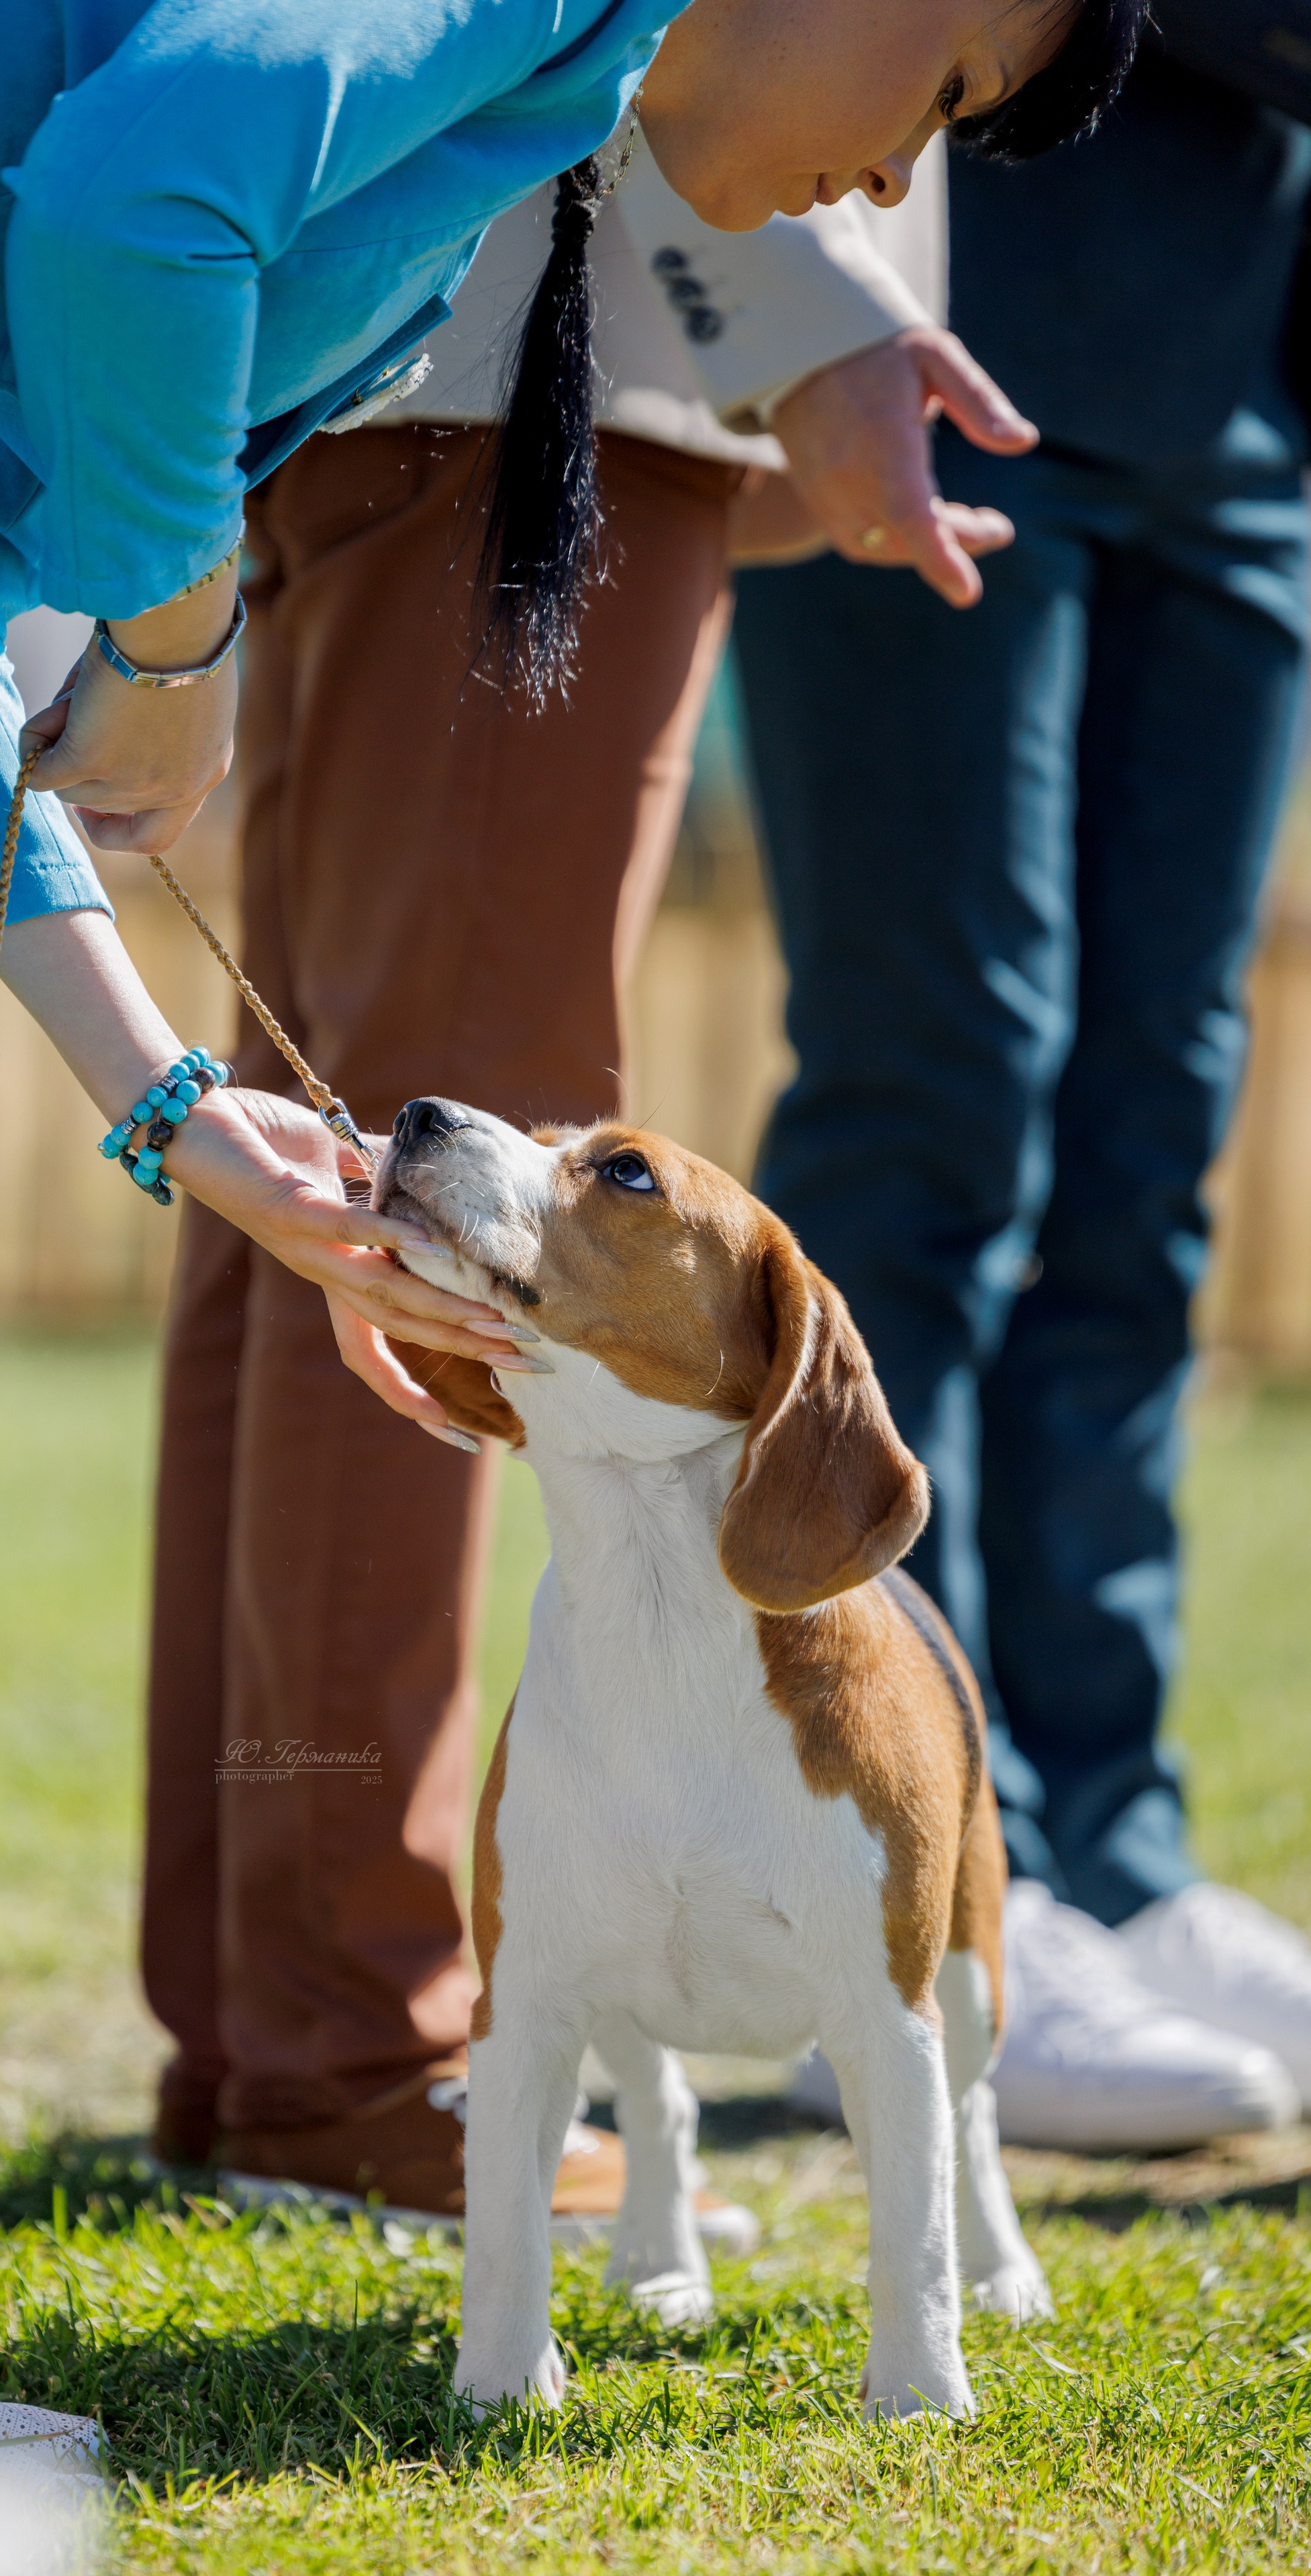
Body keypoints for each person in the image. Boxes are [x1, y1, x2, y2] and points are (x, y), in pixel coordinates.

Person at [0, 0, 1138, 2465]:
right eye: (941, 101)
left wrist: (190, 1120)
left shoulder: (485, 189)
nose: (880, 192)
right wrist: (181, 628)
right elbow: (133, 200)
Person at [134, 123, 1089, 2216]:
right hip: (555, 367)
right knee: (475, 1227)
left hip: (400, 356)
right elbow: (736, 58)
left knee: (320, 1207)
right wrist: (824, 318)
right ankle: (355, 2045)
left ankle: (269, 2017)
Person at [732, 22, 1311, 2154]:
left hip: (1242, 376)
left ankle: (1110, 1850)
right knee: (940, 1082)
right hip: (926, 320)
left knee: (1152, 1123)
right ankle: (906, 1873)